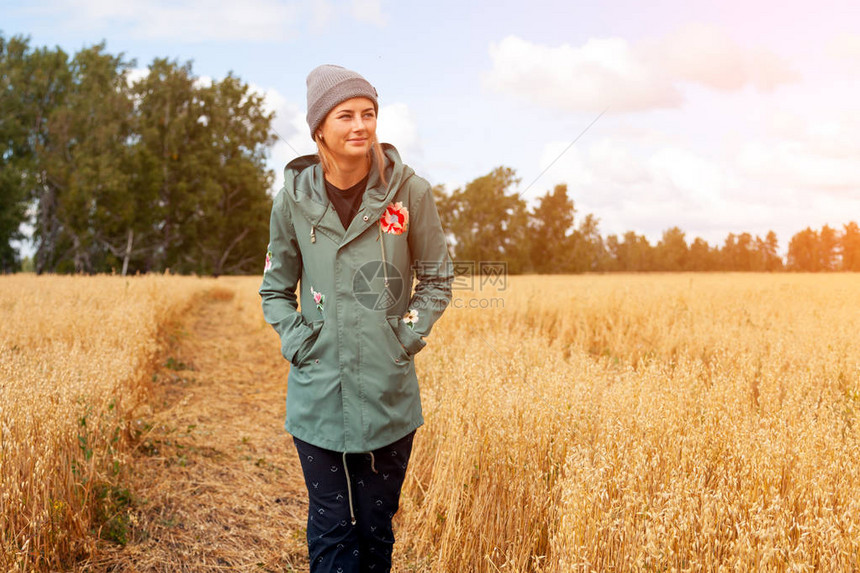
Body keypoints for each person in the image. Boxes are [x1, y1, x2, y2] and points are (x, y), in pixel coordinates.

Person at [259, 64, 453, 573]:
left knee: (374, 527)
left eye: (368, 113)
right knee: (331, 529)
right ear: (319, 126)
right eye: (345, 115)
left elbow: (437, 279)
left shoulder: (411, 193)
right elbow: (275, 288)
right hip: (317, 392)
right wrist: (299, 342)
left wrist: (402, 339)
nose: (360, 125)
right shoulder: (292, 202)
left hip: (387, 392)